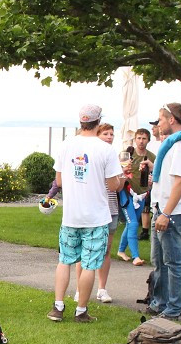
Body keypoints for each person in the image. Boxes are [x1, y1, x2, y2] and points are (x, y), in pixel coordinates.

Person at [49, 105, 124, 323]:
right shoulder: (105, 149)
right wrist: (120, 180)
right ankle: (81, 310)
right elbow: (113, 185)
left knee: (65, 260)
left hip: (71, 215)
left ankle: (58, 306)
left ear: (81, 122)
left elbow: (60, 181)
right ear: (98, 122)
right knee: (90, 264)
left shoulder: (66, 145)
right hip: (96, 216)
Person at [148, 102, 181, 321]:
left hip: (172, 213)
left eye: (160, 119)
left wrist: (166, 214)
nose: (158, 124)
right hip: (160, 208)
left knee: (174, 261)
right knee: (159, 260)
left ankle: (174, 307)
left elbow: (180, 183)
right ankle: (160, 301)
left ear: (172, 120)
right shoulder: (171, 145)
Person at [91, 123, 120, 304]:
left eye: (112, 134)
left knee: (106, 250)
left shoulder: (114, 156)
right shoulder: (95, 155)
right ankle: (81, 287)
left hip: (111, 208)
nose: (109, 137)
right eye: (105, 134)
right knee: (87, 249)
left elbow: (117, 186)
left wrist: (122, 175)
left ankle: (102, 288)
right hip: (95, 208)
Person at [128, 128, 156, 240]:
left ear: (148, 140)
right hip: (129, 191)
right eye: (139, 138)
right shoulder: (128, 153)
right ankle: (133, 253)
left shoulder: (152, 157)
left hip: (144, 192)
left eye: (144, 138)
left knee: (136, 219)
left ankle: (122, 250)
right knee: (132, 222)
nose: (141, 141)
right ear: (135, 140)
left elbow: (156, 174)